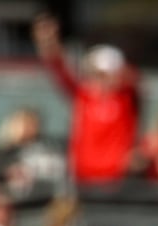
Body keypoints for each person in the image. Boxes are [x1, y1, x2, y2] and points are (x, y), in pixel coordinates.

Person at [32, 14, 141, 186]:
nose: (99, 79)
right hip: (84, 177)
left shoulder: (126, 98)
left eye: (103, 74)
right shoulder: (84, 96)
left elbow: (135, 80)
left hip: (116, 179)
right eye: (96, 73)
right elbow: (58, 68)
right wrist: (49, 40)